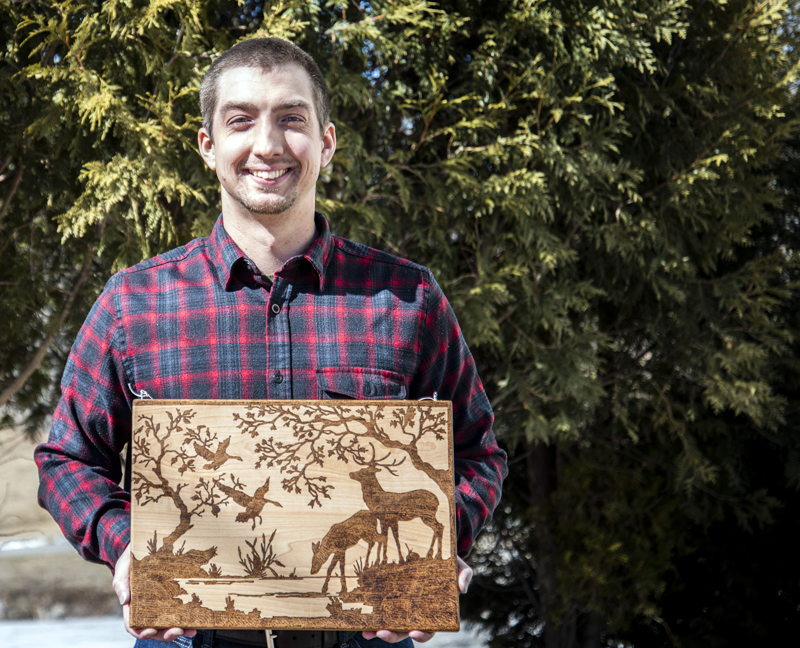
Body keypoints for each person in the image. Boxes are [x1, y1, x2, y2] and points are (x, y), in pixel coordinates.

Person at [35, 37, 507, 648]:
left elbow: (478, 453)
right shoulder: (135, 303)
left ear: (327, 142)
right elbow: (66, 460)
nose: (268, 145)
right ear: (208, 147)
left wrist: (438, 545)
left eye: (292, 120)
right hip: (188, 638)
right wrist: (131, 550)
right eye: (240, 121)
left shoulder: (406, 298)